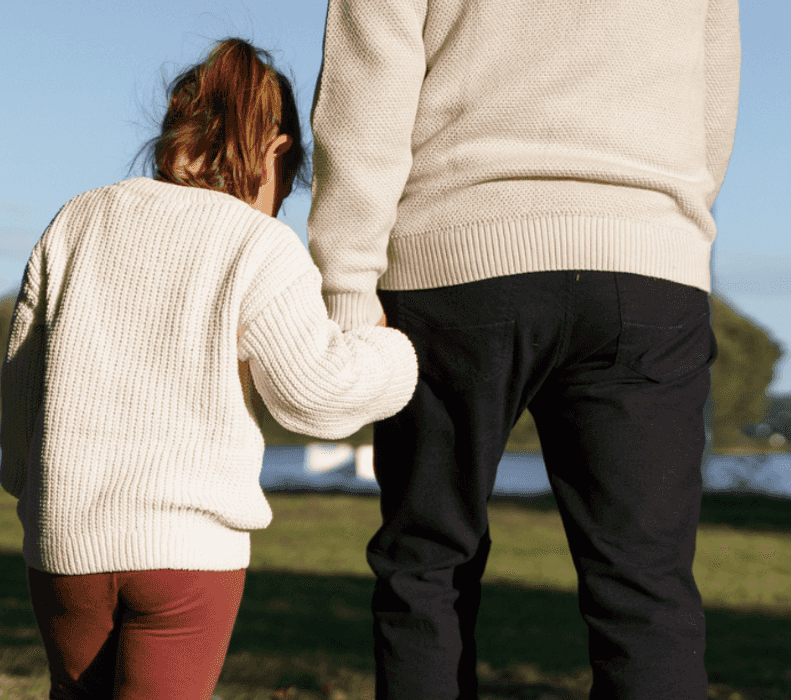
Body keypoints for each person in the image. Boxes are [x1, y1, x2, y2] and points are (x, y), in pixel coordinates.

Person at [306, 0, 740, 698]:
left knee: (428, 566)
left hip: (455, 255)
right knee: (646, 585)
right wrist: (663, 224)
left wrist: (347, 287)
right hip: (647, 261)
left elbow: (367, 84)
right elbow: (712, 92)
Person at [0, 38, 418, 700]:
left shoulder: (78, 219)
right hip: (186, 553)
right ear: (277, 150)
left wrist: (30, 489)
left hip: (64, 544)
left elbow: (24, 376)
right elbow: (314, 396)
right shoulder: (259, 243)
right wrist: (393, 350)